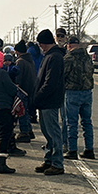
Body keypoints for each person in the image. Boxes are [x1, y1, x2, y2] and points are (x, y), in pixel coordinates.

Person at [31, 29, 66, 176]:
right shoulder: (49, 56)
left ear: (45, 43)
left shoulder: (55, 57)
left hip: (50, 100)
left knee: (53, 133)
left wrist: (37, 97)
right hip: (45, 101)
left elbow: (50, 83)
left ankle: (57, 163)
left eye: (41, 44)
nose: (40, 46)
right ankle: (49, 160)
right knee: (47, 133)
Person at [62, 35, 96, 160]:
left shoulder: (68, 58)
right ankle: (89, 149)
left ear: (69, 45)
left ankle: (72, 149)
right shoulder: (87, 58)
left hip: (72, 92)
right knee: (87, 122)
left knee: (71, 122)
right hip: (87, 92)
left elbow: (63, 75)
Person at [12, 40, 37, 142]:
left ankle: (24, 132)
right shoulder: (30, 60)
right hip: (31, 89)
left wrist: (15, 86)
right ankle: (29, 130)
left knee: (21, 112)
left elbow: (18, 77)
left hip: (22, 90)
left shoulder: (20, 62)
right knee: (25, 111)